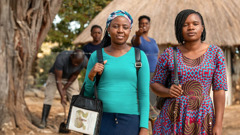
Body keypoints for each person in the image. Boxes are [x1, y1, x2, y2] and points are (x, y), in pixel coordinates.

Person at [150, 9, 227, 134]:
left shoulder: (215, 53)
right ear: (179, 29)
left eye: (195, 24)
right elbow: (154, 84)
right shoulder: (169, 54)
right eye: (185, 25)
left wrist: (218, 124)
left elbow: (219, 90)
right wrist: (167, 91)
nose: (191, 27)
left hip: (203, 114)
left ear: (202, 28)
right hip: (173, 115)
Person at [83, 10, 150, 135]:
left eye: (125, 27)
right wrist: (91, 75)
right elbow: (87, 94)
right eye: (115, 26)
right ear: (108, 29)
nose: (120, 30)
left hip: (130, 121)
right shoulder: (96, 56)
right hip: (100, 120)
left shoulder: (139, 57)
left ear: (129, 31)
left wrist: (144, 127)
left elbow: (144, 94)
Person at [39, 49, 88, 129]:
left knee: (75, 97)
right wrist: (62, 96)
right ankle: (43, 121)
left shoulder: (84, 61)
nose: (76, 65)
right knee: (49, 95)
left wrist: (64, 89)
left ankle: (75, 123)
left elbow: (75, 75)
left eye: (78, 63)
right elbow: (58, 79)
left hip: (70, 77)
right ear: (71, 57)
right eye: (74, 62)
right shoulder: (61, 58)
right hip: (55, 76)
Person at [131, 15, 159, 121]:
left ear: (149, 25)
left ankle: (154, 129)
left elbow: (157, 55)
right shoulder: (136, 38)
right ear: (138, 25)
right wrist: (138, 35)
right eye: (141, 23)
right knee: (146, 101)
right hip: (143, 73)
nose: (144, 25)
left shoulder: (153, 41)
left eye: (146, 23)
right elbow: (136, 42)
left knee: (155, 103)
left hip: (155, 74)